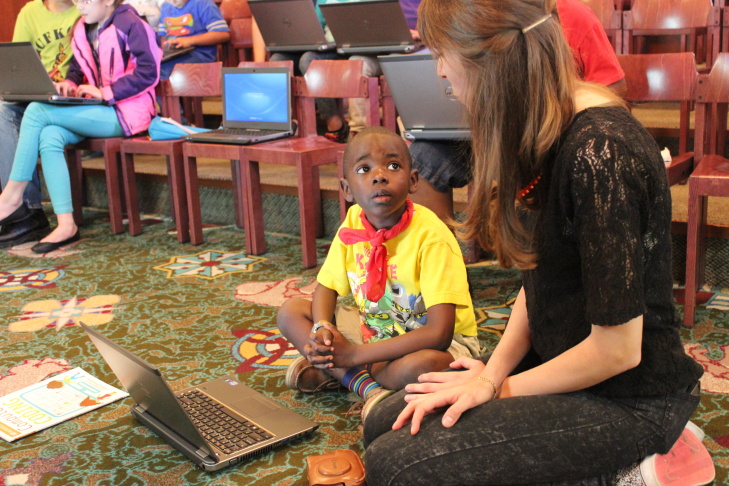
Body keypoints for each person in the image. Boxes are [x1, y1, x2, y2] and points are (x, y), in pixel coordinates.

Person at [363, 0, 713, 484]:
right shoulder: (545, 123)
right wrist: (489, 375)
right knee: (385, 422)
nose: (440, 69)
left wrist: (499, 389)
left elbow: (618, 351)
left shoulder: (601, 151)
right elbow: (539, 280)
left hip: (629, 395)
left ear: (493, 61)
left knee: (396, 466)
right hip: (563, 360)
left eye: (445, 53)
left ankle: (638, 463)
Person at [277, 126, 480, 420]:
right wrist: (322, 327)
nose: (380, 175)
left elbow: (439, 333)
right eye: (364, 168)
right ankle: (370, 387)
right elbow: (326, 287)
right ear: (347, 190)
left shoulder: (431, 237)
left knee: (422, 367)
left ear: (413, 181)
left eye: (393, 165)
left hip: (434, 345)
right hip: (374, 331)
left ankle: (345, 373)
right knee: (291, 312)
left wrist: (354, 356)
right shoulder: (353, 222)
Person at [409, 0, 626, 223]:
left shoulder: (571, 14)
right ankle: (437, 253)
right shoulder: (473, 10)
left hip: (549, 127)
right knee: (423, 158)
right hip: (487, 123)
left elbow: (612, 87)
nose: (440, 71)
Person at [0, 0, 161, 254]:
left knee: (35, 111)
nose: (80, 6)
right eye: (77, 1)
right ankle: (67, 225)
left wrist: (105, 92)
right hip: (98, 109)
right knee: (50, 135)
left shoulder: (131, 23)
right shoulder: (82, 28)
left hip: (126, 113)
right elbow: (77, 67)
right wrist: (68, 83)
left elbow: (149, 72)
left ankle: (11, 197)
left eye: (85, 1)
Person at [0, 0, 81, 249]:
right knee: (2, 110)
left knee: (31, 115)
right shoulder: (30, 12)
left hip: (72, 97)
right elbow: (18, 65)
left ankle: (21, 209)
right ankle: (25, 212)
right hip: (36, 95)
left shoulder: (88, 7)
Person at [157, 0, 230, 80]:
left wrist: (189, 40)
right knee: (151, 68)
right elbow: (162, 37)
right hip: (174, 54)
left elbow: (223, 34)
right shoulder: (165, 7)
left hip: (199, 54)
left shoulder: (204, 4)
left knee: (163, 70)